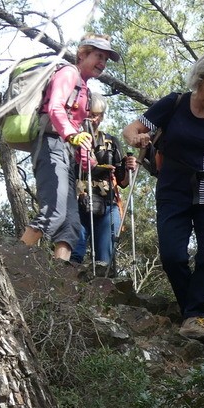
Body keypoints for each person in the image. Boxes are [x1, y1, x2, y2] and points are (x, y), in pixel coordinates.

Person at [122, 51, 204, 342]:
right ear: (198, 81)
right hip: (173, 188)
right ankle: (194, 316)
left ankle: (194, 316)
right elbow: (133, 128)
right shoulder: (176, 103)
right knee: (172, 255)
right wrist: (136, 138)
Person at [20, 34, 120, 261]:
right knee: (53, 212)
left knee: (71, 225)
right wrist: (72, 135)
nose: (102, 63)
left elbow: (76, 126)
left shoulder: (83, 87)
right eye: (98, 56)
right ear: (82, 54)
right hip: (50, 143)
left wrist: (87, 159)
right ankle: (10, 263)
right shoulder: (68, 73)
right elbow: (55, 108)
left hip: (64, 151)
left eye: (105, 59)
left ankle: (58, 280)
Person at [71, 94, 137, 274]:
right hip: (78, 202)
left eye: (99, 114)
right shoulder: (71, 140)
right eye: (91, 114)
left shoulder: (111, 142)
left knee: (105, 260)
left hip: (107, 202)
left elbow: (123, 181)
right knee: (74, 254)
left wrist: (129, 168)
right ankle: (65, 292)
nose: (94, 118)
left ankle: (104, 296)